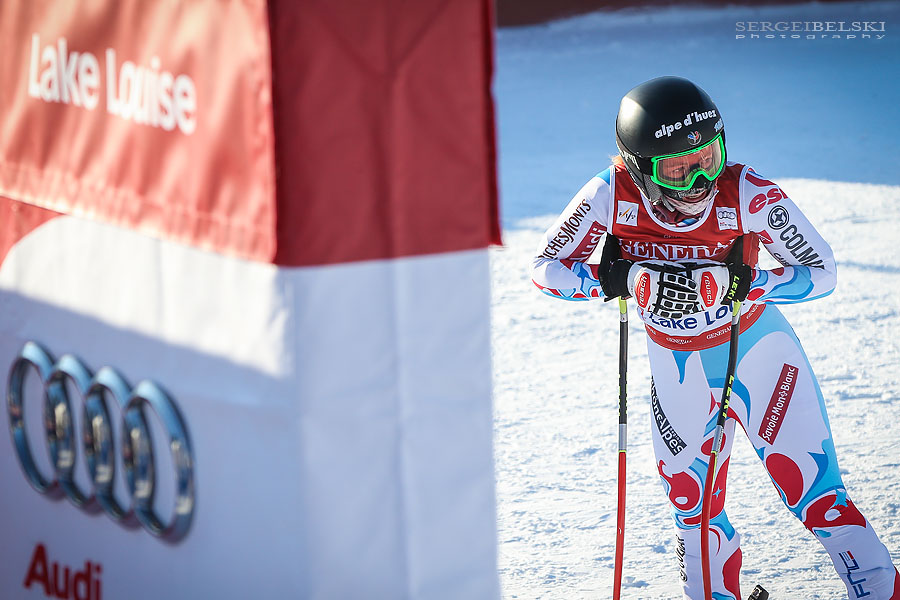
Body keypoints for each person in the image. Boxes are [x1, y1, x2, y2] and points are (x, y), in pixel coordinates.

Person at [531, 76, 899, 599]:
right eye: (678, 170)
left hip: (755, 351)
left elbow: (822, 271)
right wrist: (612, 280)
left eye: (708, 157)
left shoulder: (746, 191)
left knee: (819, 498)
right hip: (676, 367)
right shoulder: (610, 193)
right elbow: (545, 267)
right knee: (692, 506)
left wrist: (750, 281)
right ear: (640, 167)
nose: (700, 182)